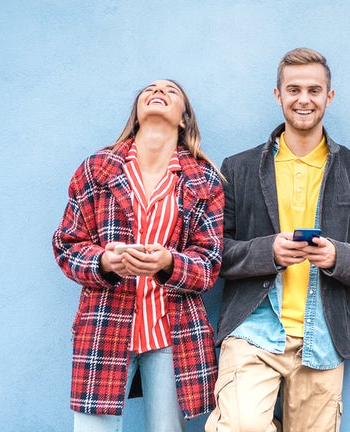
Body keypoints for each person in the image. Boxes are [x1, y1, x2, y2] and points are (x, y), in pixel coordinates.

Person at [205, 47, 350, 432]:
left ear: (329, 97)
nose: (304, 99)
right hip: (254, 327)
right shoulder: (240, 167)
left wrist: (335, 256)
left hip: (324, 332)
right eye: (294, 89)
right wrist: (269, 251)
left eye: (314, 90)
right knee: (241, 426)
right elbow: (216, 253)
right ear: (277, 94)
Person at [52, 79, 223, 431]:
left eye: (171, 91)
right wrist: (103, 262)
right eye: (149, 89)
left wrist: (169, 263)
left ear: (183, 119)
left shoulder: (204, 179)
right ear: (137, 113)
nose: (158, 91)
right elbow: (66, 245)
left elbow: (209, 263)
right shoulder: (97, 169)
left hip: (172, 332)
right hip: (104, 325)